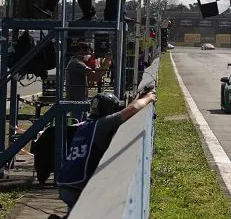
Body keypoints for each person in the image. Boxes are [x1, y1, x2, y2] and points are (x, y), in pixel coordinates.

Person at [54, 89, 157, 218]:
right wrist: (148, 98)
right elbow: (131, 110)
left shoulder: (84, 126)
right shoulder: (102, 125)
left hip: (64, 184)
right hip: (80, 187)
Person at [66, 42, 112, 122]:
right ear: (80, 51)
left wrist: (106, 62)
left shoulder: (79, 62)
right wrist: (106, 61)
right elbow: (95, 77)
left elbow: (98, 72)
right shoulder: (77, 64)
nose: (90, 55)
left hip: (80, 98)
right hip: (77, 99)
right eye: (88, 52)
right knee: (77, 123)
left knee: (82, 122)